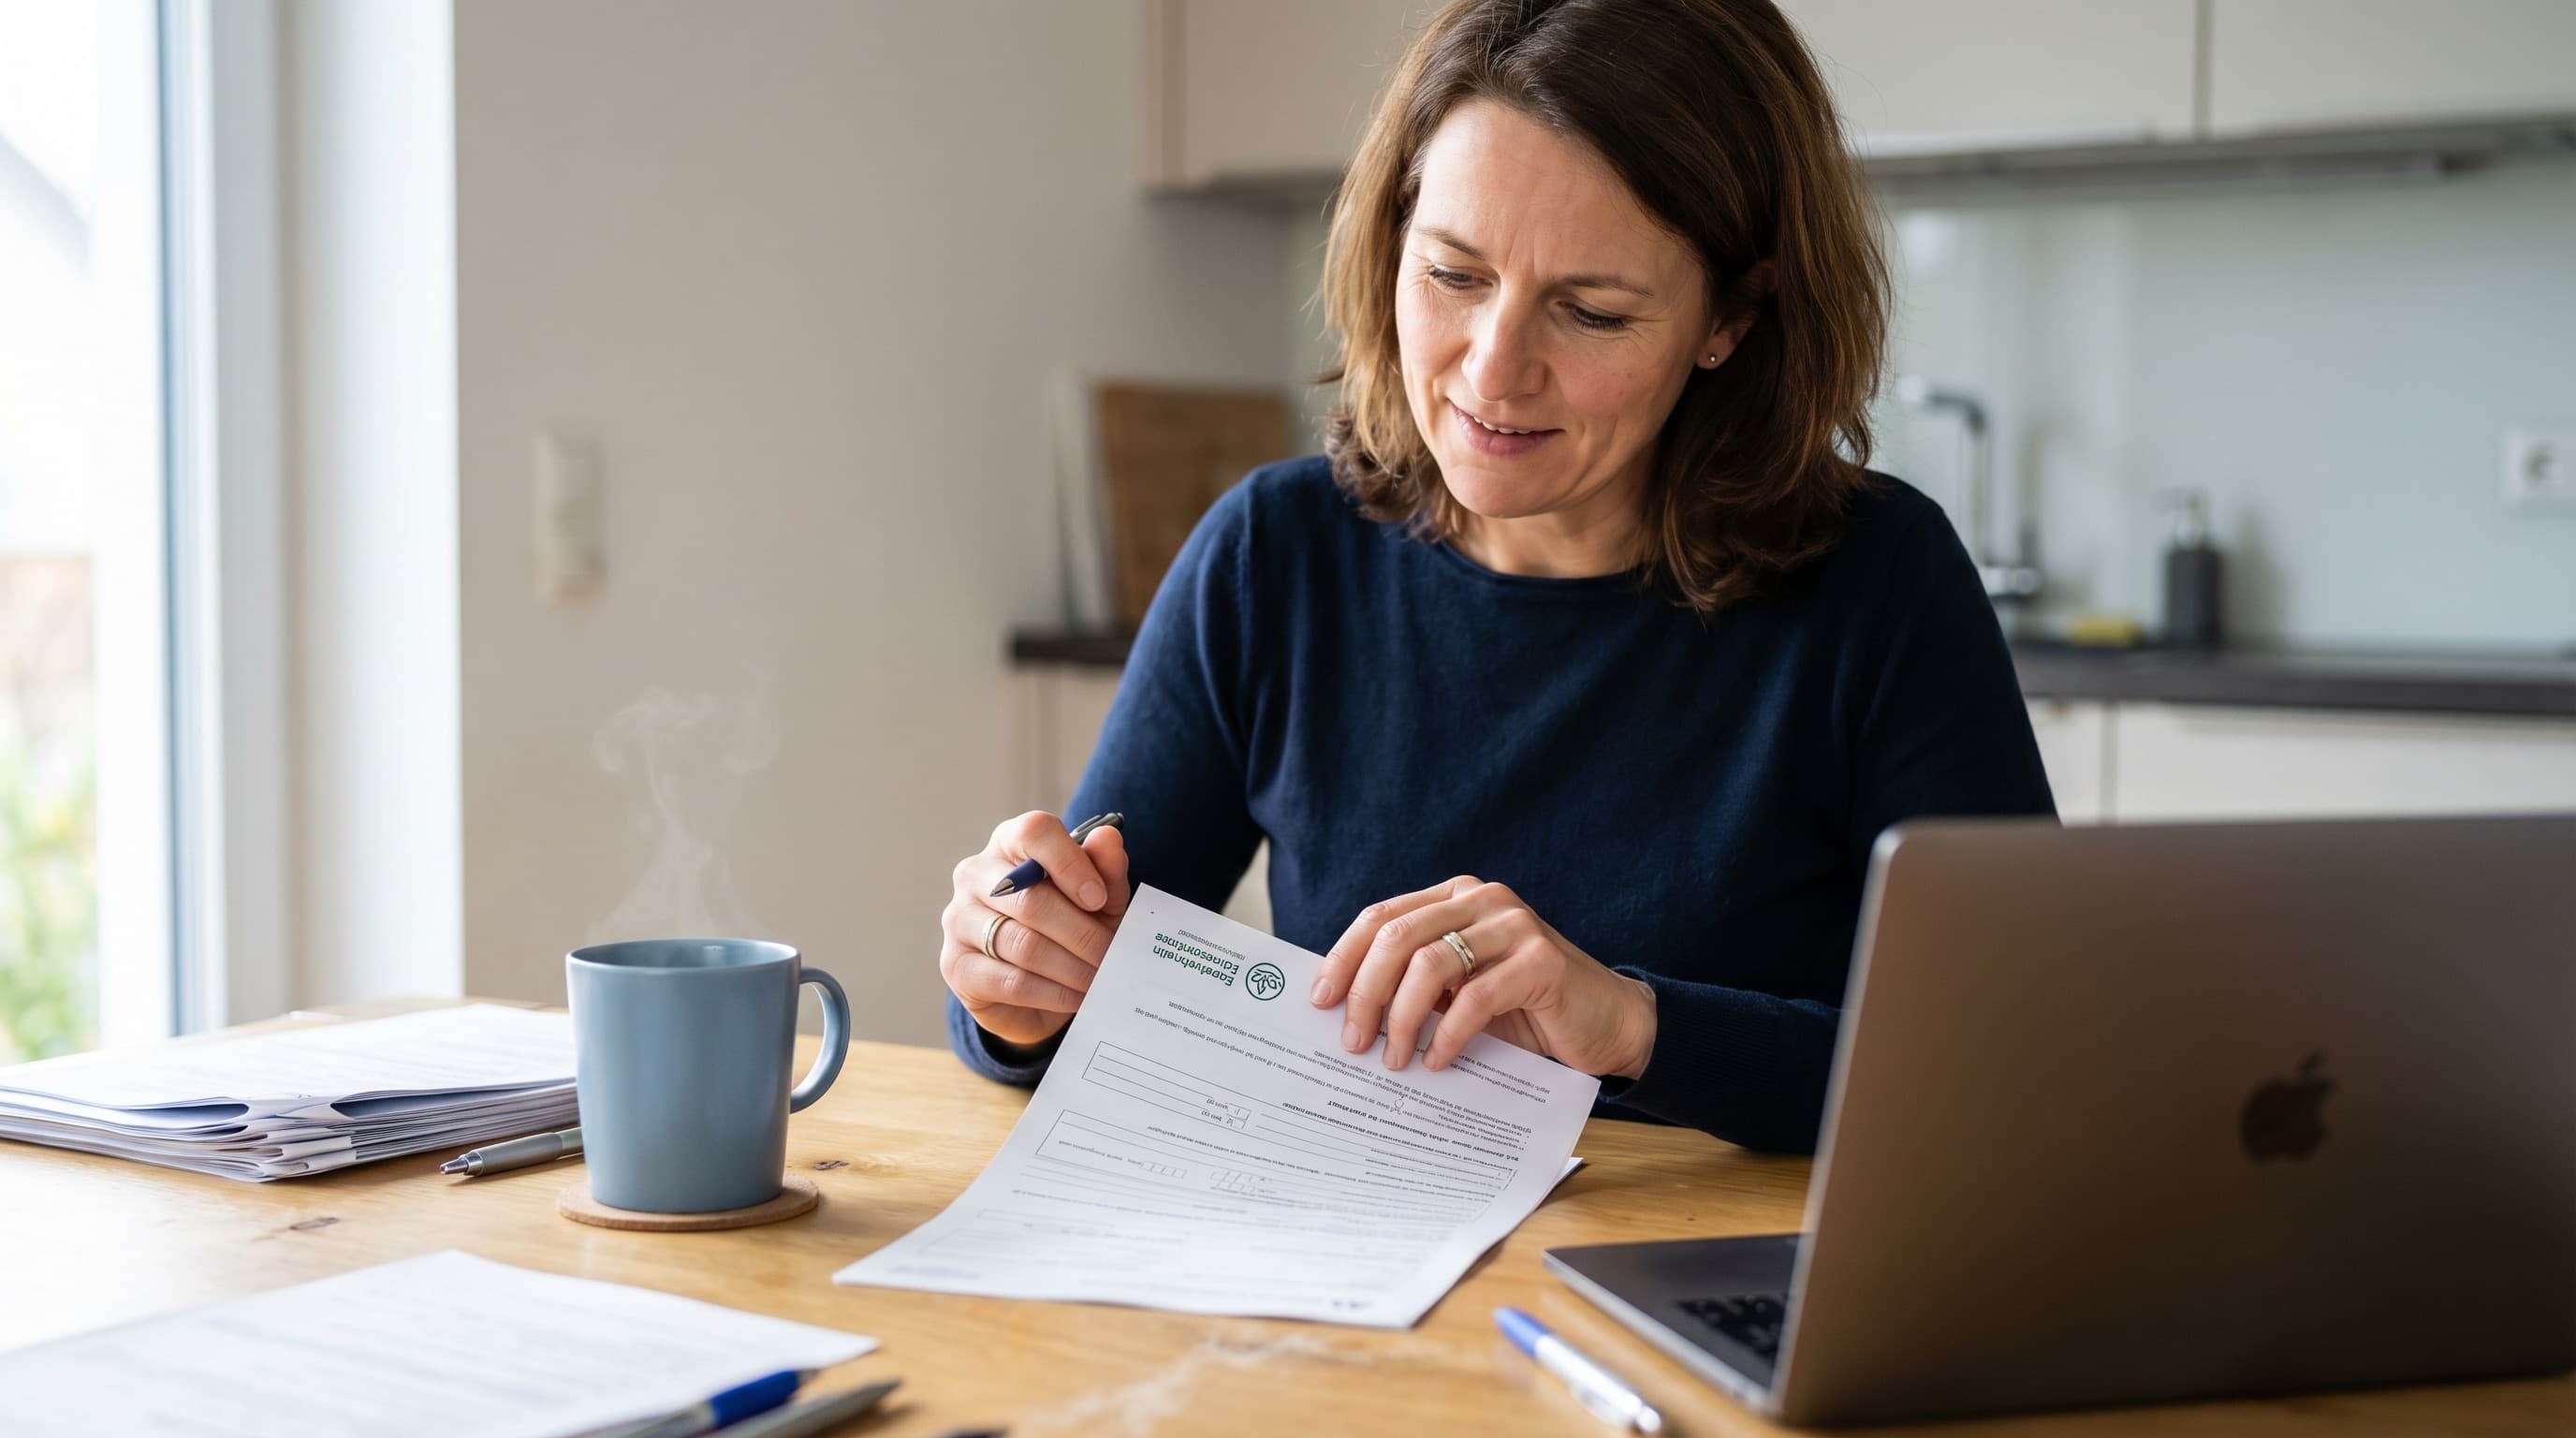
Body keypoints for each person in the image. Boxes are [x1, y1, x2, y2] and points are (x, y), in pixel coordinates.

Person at [936, 0, 2054, 1153]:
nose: (1492, 370)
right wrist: (1016, 984)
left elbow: (2016, 1069)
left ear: (1730, 317)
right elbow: (1072, 1003)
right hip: (1367, 1275)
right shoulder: (1274, 556)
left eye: (1590, 311)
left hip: (1718, 1289)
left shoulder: (1878, 584)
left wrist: (1634, 1026)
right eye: (1454, 276)